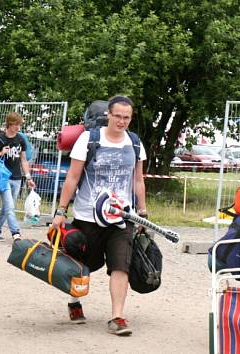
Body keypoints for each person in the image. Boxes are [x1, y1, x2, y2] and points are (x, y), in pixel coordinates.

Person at [52, 95, 147, 336]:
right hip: (88, 215)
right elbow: (72, 177)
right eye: (118, 116)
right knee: (84, 264)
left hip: (122, 217)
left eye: (127, 117)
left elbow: (138, 180)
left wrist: (142, 212)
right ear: (109, 115)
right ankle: (74, 301)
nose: (122, 121)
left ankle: (117, 316)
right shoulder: (89, 139)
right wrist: (61, 212)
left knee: (120, 265)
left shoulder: (135, 143)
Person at [0, 112, 36, 242]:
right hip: (3, 177)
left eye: (20, 125)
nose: (18, 127)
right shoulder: (0, 139)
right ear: (9, 124)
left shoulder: (20, 139)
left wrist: (28, 178)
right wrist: (1, 152)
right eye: (16, 125)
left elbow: (23, 160)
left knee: (7, 206)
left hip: (17, 178)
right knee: (10, 207)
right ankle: (16, 233)